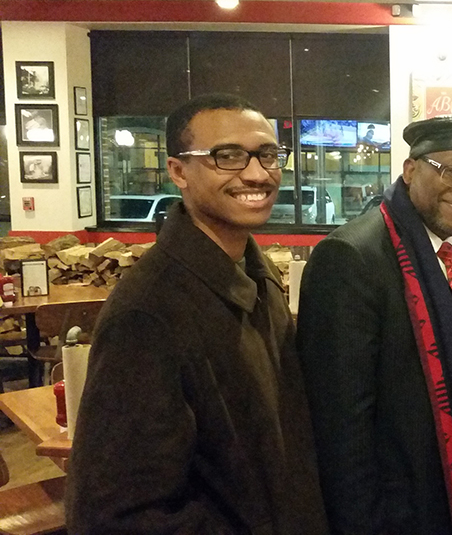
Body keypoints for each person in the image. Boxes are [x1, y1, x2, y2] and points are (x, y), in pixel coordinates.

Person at [66, 93, 328, 534]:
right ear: (177, 171)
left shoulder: (256, 277)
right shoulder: (148, 311)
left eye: (267, 154)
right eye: (227, 156)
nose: (256, 173)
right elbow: (118, 510)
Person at [297, 117, 452, 534]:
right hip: (402, 513)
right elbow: (339, 425)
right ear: (411, 169)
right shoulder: (351, 257)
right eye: (451, 170)